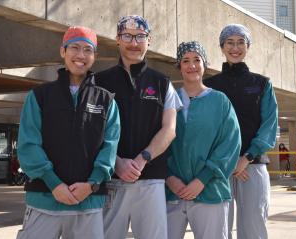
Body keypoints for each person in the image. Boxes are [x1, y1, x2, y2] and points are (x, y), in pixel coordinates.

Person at [16, 26, 120, 239]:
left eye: (87, 50)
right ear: (63, 51)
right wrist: (54, 184)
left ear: (95, 56)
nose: (80, 55)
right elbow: (29, 145)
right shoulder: (39, 96)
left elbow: (109, 147)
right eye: (74, 48)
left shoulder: (106, 100)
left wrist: (91, 185)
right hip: (43, 200)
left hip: (88, 203)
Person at [96, 15, 182, 239]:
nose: (134, 43)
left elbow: (169, 129)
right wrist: (116, 163)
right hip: (110, 180)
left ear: (149, 40)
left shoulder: (163, 83)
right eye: (127, 36)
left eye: (140, 37)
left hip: (151, 179)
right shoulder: (98, 81)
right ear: (117, 39)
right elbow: (90, 132)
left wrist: (143, 158)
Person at [204, 24, 278, 239]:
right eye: (230, 42)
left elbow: (269, 126)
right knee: (218, 229)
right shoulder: (209, 85)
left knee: (254, 228)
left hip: (252, 167)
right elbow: (207, 128)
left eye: (240, 42)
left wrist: (246, 158)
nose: (235, 48)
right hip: (218, 168)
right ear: (222, 46)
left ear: (248, 46)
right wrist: (227, 161)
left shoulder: (262, 84)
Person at [166, 41, 241, 239]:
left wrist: (203, 179)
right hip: (172, 191)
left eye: (196, 60)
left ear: (204, 63)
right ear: (179, 66)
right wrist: (169, 178)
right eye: (185, 61)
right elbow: (159, 140)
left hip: (210, 191)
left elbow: (230, 144)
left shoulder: (220, 101)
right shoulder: (168, 99)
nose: (192, 66)